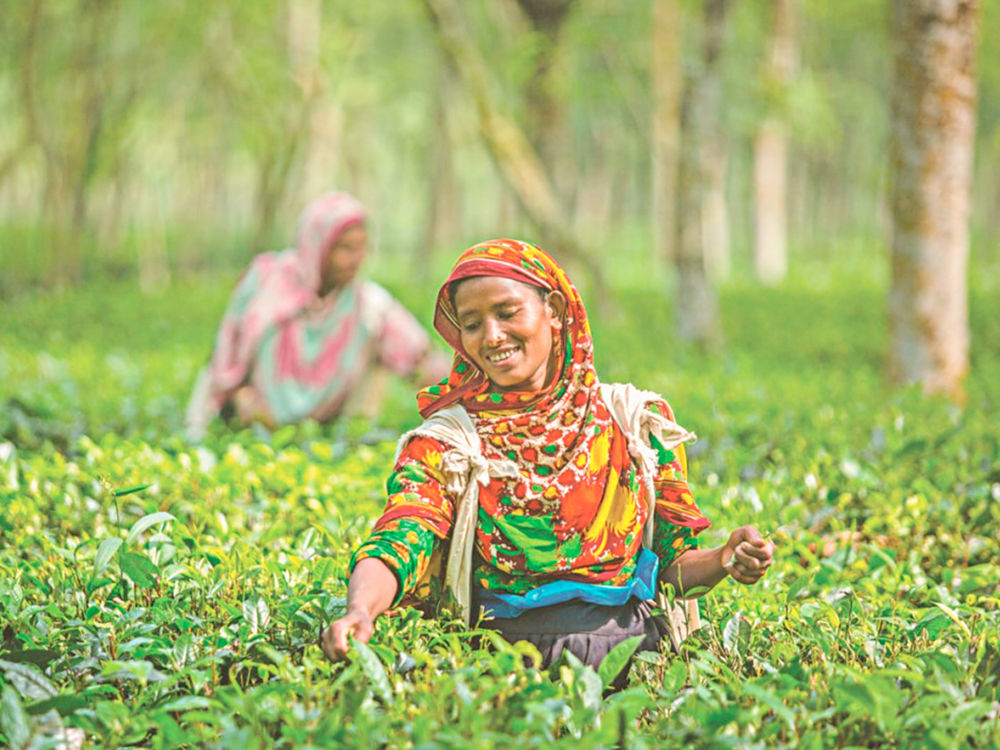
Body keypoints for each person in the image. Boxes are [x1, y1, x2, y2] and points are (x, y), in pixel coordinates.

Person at [321, 238, 774, 673]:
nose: (492, 336)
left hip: (636, 659)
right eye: (472, 324)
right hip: (504, 667)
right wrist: (360, 609)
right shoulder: (450, 443)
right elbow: (402, 535)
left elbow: (671, 567)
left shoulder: (633, 424)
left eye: (507, 313)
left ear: (553, 310)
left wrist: (724, 559)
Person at [185, 191, 450, 440]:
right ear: (317, 246)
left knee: (378, 341)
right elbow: (225, 356)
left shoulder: (367, 304)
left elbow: (421, 357)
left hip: (325, 433)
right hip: (252, 424)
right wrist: (234, 402)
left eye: (362, 248)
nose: (356, 259)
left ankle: (349, 440)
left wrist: (465, 393)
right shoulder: (266, 281)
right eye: (345, 248)